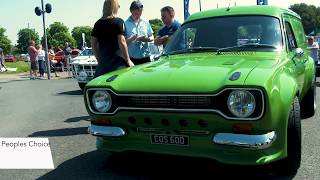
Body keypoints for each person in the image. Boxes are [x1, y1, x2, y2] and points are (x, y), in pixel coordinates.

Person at [91, 0, 134, 78]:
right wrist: (128, 60)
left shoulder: (97, 23)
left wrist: (99, 60)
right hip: (117, 62)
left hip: (103, 63)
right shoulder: (118, 22)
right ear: (114, 7)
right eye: (118, 5)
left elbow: (93, 45)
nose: (119, 7)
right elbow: (122, 42)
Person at [125, 1, 154, 65]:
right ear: (131, 11)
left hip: (146, 57)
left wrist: (147, 39)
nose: (138, 15)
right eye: (136, 13)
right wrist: (132, 39)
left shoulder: (146, 22)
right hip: (132, 59)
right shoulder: (125, 24)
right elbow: (123, 43)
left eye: (140, 13)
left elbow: (152, 37)